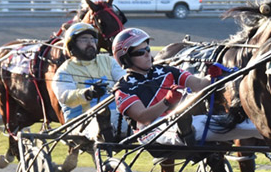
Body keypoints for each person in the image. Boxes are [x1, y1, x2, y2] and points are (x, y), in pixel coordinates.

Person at [111, 28, 260, 146]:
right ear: (126, 58)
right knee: (191, 127)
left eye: (148, 49)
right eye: (140, 52)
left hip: (184, 120)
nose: (147, 54)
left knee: (247, 124)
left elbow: (199, 85)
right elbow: (143, 118)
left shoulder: (168, 71)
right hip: (151, 131)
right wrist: (167, 101)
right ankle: (184, 129)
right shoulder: (123, 89)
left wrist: (214, 75)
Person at [51, 22, 128, 142]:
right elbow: (65, 97)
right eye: (84, 39)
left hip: (117, 117)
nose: (90, 43)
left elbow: (124, 79)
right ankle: (104, 129)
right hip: (82, 121)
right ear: (72, 45)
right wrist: (88, 93)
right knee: (98, 122)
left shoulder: (108, 61)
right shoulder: (64, 71)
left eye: (92, 39)